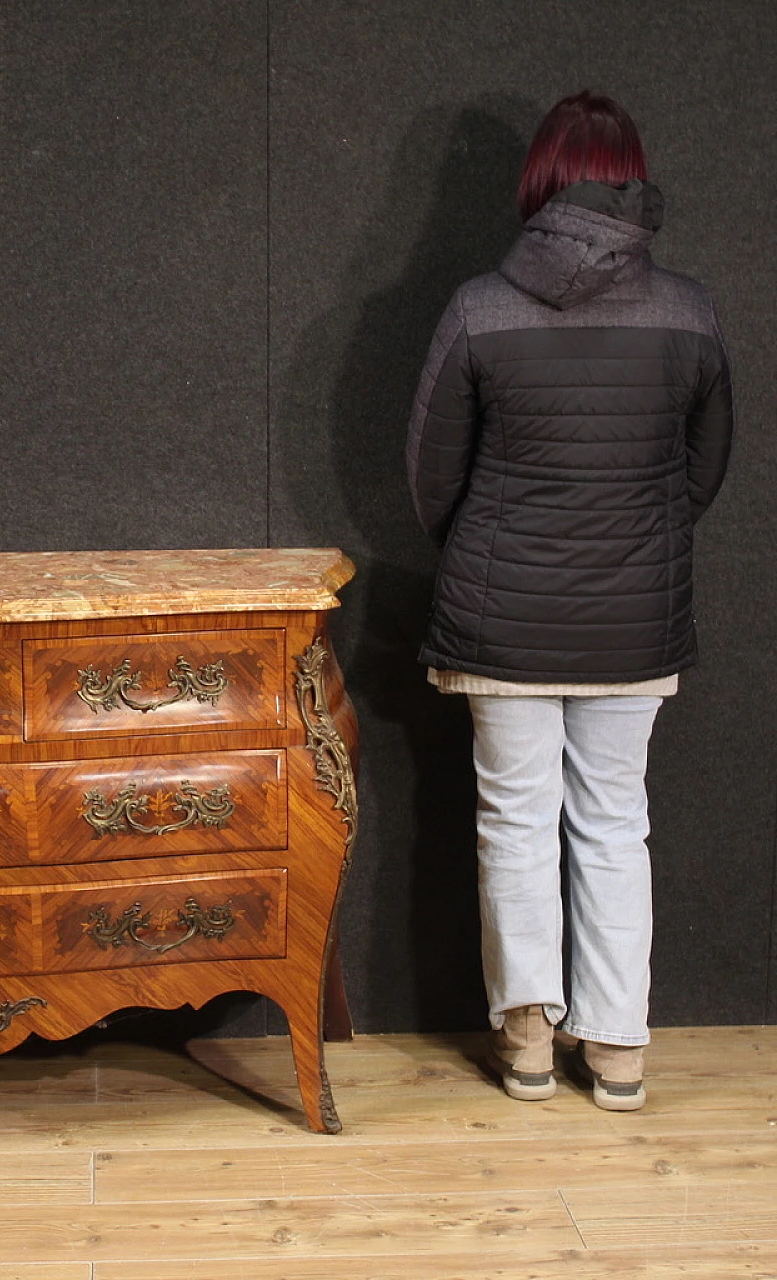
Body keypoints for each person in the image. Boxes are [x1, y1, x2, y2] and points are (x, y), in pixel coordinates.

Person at [406, 91, 733, 1110]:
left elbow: (428, 474)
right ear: (631, 181)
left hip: (499, 614)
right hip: (633, 616)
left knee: (511, 821)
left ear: (540, 182)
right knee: (610, 822)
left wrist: (488, 548)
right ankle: (619, 1048)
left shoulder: (476, 307)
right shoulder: (685, 310)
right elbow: (703, 469)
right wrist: (634, 538)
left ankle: (526, 1043)